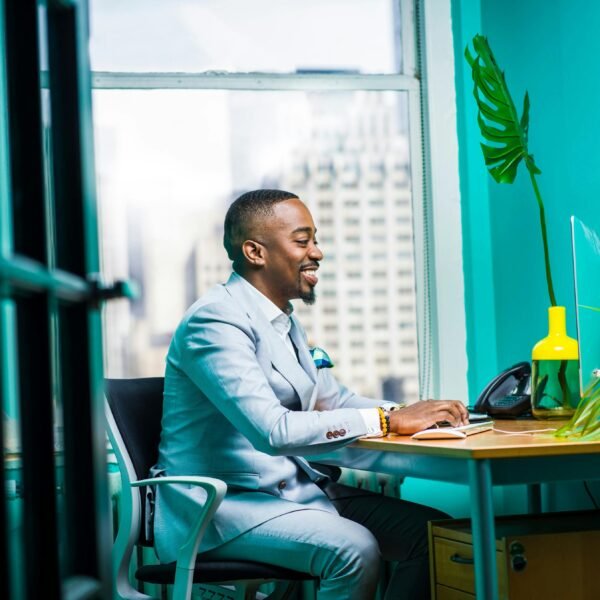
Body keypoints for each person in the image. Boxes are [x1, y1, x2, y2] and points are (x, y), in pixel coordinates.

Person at [152, 189, 469, 599]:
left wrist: (412, 412)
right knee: (353, 550)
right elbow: (274, 431)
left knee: (429, 536)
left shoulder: (281, 320)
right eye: (303, 241)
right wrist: (388, 421)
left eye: (315, 240)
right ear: (255, 252)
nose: (317, 252)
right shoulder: (215, 321)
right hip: (223, 510)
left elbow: (331, 402)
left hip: (292, 494)